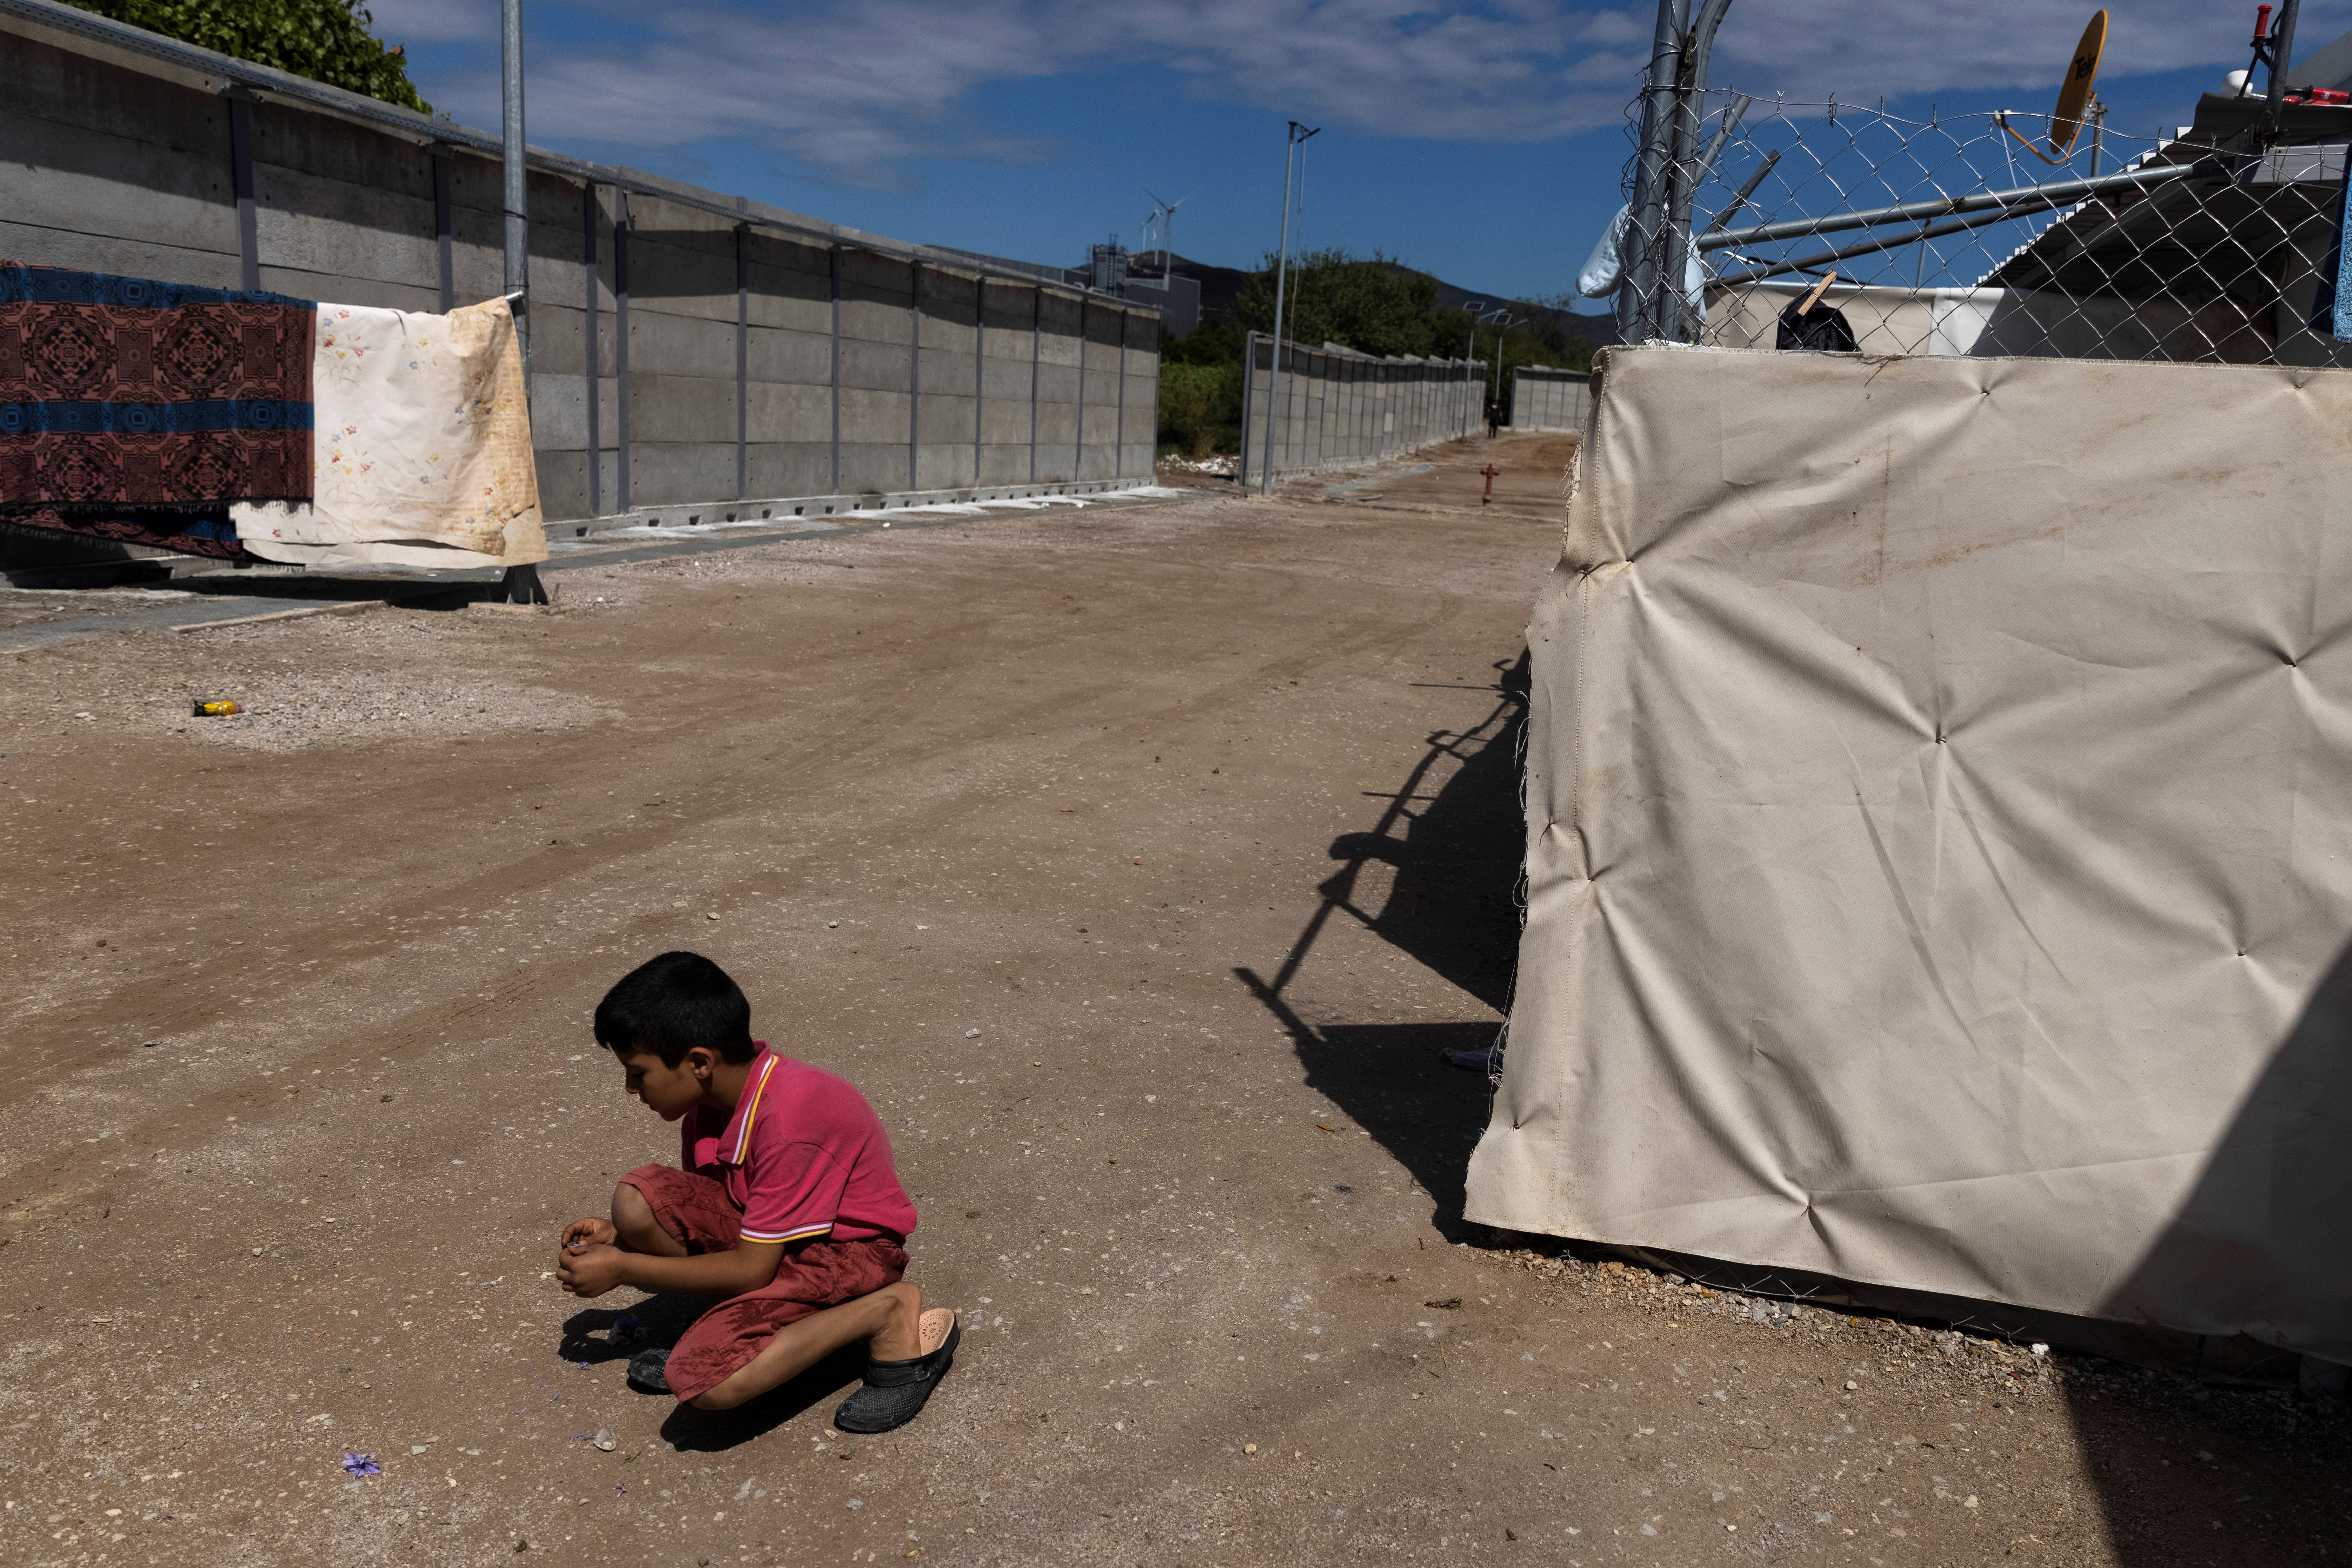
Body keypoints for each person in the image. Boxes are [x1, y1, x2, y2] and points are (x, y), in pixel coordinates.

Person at [555, 951, 957, 1432]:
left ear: (699, 1061)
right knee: (637, 1203)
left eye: (638, 1073)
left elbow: (750, 1269)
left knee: (705, 1384)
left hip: (852, 1253)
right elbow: (713, 1208)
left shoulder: (790, 1118)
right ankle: (743, 1325)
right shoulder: (713, 1101)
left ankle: (887, 1312)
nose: (629, 1087)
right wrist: (619, 1236)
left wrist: (623, 1267)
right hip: (776, 1241)